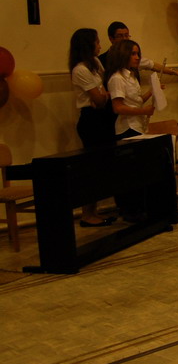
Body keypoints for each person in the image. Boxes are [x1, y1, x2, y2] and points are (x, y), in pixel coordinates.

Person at [68, 28, 116, 227]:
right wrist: (102, 96)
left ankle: (94, 211)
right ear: (88, 45)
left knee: (103, 168)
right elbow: (98, 99)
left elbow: (104, 91)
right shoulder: (80, 69)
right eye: (97, 42)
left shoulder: (95, 63)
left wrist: (103, 95)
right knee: (92, 168)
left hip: (103, 117)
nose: (100, 45)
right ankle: (87, 214)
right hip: (91, 120)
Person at [99, 21, 178, 78]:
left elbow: (153, 65)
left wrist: (176, 73)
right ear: (111, 39)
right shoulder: (101, 61)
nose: (125, 39)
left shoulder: (133, 58)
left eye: (126, 35)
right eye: (120, 36)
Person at [104, 39, 156, 139]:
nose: (137, 57)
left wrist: (152, 91)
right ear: (123, 55)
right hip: (128, 127)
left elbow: (136, 101)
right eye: (133, 54)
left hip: (137, 124)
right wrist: (144, 111)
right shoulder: (117, 78)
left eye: (138, 54)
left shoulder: (132, 76)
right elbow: (118, 108)